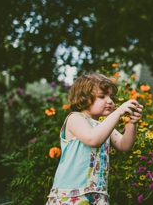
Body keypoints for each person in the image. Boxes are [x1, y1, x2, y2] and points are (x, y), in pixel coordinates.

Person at [46, 73, 144, 205]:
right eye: (102, 96)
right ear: (84, 98)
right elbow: (93, 139)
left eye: (110, 96)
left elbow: (124, 145)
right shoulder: (75, 118)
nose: (109, 101)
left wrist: (132, 123)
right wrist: (118, 112)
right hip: (71, 194)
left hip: (97, 195)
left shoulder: (103, 126)